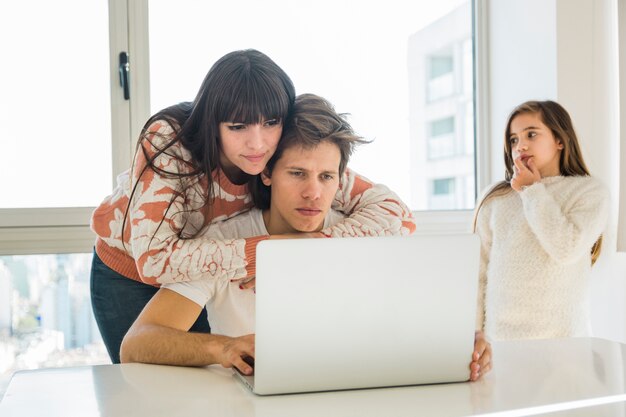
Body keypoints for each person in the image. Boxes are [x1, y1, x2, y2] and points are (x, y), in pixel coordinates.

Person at [120, 93, 491, 381]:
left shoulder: (360, 235)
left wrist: (459, 339)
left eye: (327, 177)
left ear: (341, 179)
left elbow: (411, 313)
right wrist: (224, 347)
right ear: (265, 174)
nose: (314, 193)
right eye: (297, 174)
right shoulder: (226, 242)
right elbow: (138, 342)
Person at [90, 50, 416, 364]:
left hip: (204, 269)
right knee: (151, 381)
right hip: (129, 270)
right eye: (237, 127)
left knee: (218, 370)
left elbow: (396, 215)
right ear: (213, 121)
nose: (257, 144)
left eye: (270, 123)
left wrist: (311, 249)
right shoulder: (171, 142)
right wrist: (269, 254)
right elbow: (154, 261)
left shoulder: (280, 150)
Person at [473, 100, 610, 341]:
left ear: (560, 140)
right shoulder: (496, 198)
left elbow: (566, 248)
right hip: (501, 343)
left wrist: (532, 190)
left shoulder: (590, 192)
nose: (520, 145)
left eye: (531, 134)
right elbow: (478, 273)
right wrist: (475, 335)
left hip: (564, 344)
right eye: (513, 139)